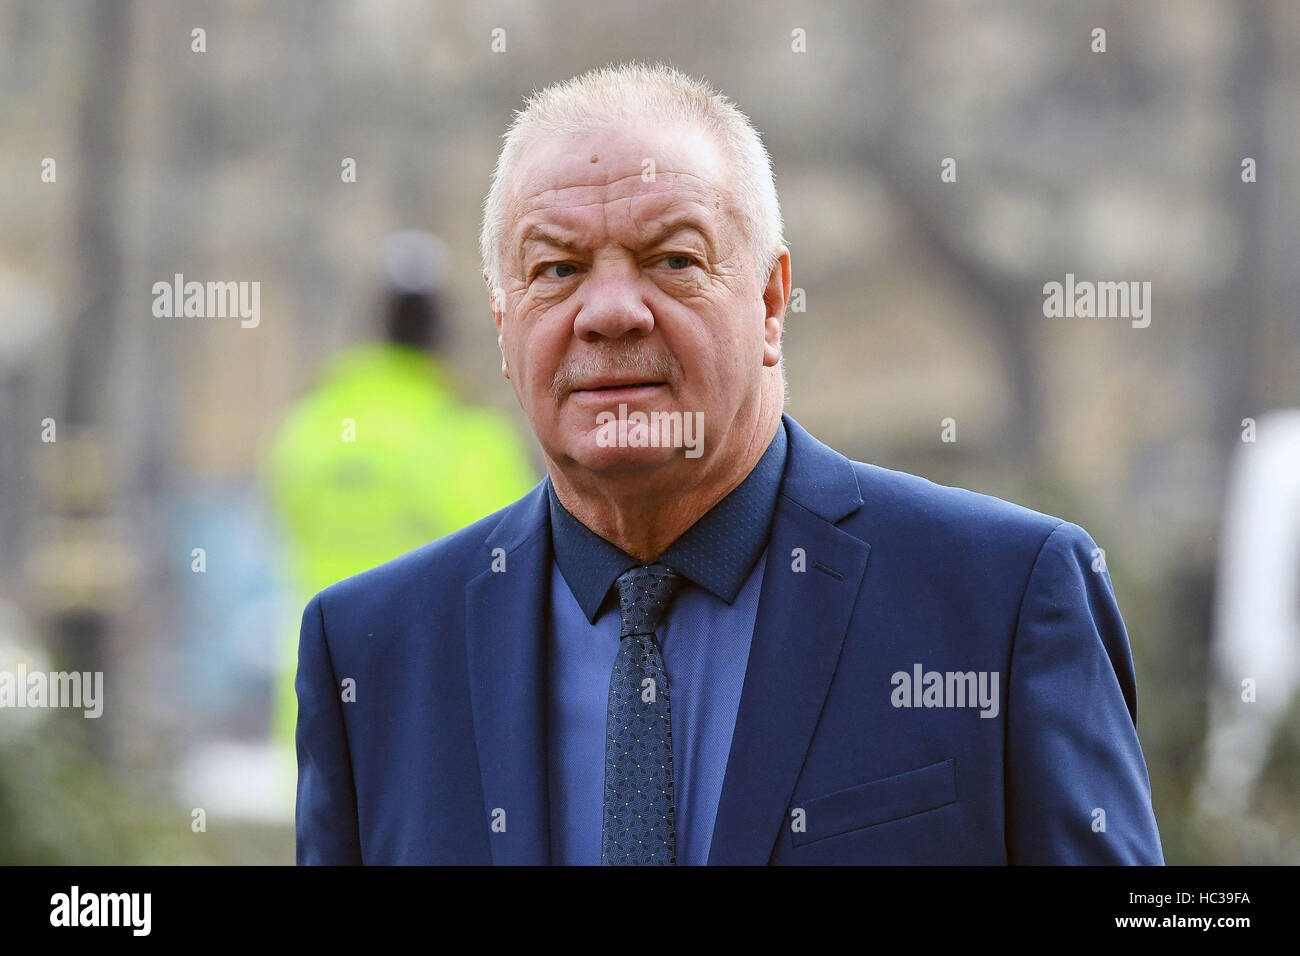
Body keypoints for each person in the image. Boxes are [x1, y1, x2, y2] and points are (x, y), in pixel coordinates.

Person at [295, 62, 1164, 865]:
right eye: (556, 269)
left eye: (672, 260)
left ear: (772, 300)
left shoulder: (1002, 601)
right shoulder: (372, 653)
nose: (609, 312)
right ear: (501, 322)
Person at [266, 231, 535, 753]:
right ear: (441, 334)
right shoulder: (463, 436)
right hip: (429, 706)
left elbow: (280, 519)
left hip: (316, 692)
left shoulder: (310, 426)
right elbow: (515, 563)